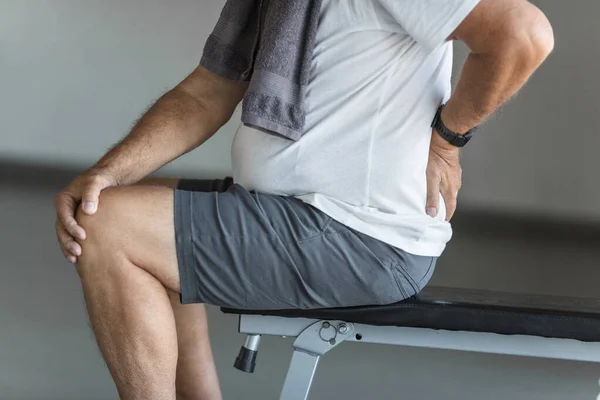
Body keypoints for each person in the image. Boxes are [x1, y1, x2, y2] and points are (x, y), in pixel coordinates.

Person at [53, 0, 553, 398]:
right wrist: (106, 174)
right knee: (131, 211)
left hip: (358, 236)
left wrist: (446, 142)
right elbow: (205, 93)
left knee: (110, 228)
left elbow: (523, 35)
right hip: (305, 217)